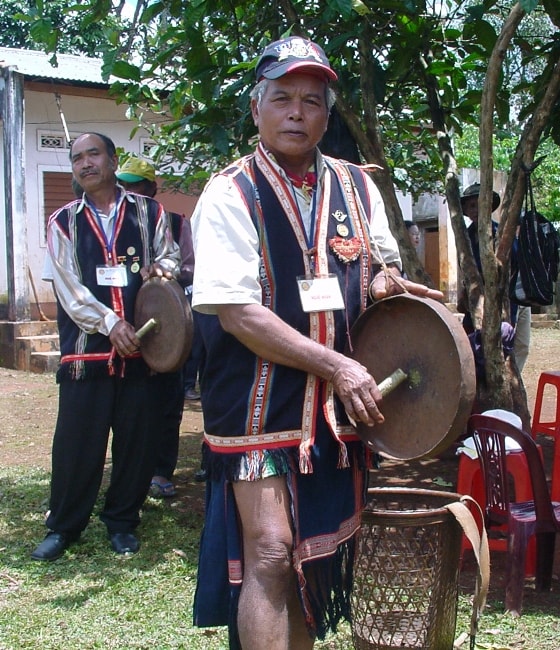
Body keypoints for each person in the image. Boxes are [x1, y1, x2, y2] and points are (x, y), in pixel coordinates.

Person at [190, 36, 443, 650]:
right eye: (281, 99)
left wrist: (384, 282)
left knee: (313, 555)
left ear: (328, 115)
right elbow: (237, 313)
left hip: (335, 411)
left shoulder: (357, 186)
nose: (296, 113)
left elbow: (372, 268)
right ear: (256, 110)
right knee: (272, 553)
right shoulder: (229, 193)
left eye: (311, 101)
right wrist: (337, 366)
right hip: (257, 407)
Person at [31, 133, 180, 561]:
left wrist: (162, 268)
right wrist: (110, 322)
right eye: (76, 158)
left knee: (137, 443)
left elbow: (169, 257)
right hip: (87, 353)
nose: (85, 163)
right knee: (77, 444)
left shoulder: (150, 212)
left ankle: (122, 522)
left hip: (143, 349)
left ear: (113, 160)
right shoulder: (63, 221)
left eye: (93, 154)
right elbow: (67, 287)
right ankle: (63, 526)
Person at [115, 155, 195, 497]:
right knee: (130, 405)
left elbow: (190, 267)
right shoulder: (114, 226)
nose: (130, 192)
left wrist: (164, 272)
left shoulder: (175, 223)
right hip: (125, 330)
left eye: (137, 186)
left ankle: (162, 471)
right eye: (124, 185)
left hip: (167, 330)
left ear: (153, 188)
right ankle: (130, 473)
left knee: (167, 402)